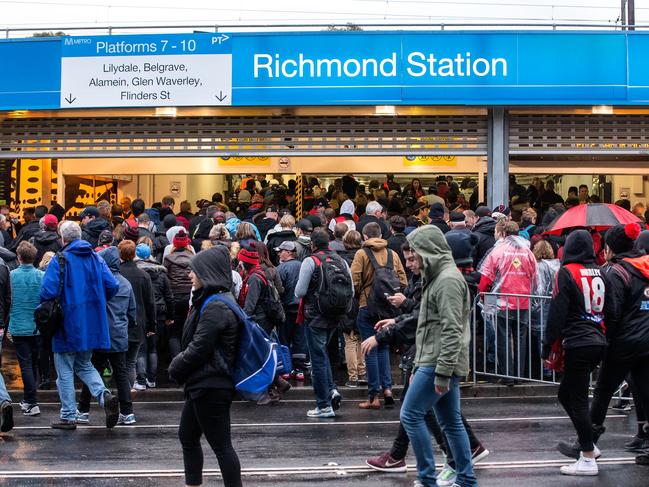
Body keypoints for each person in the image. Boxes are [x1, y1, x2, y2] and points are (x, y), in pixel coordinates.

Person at [399, 225, 477, 487]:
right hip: (438, 361)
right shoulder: (442, 277)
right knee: (450, 421)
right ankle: (465, 480)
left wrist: (440, 371)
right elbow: (436, 328)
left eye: (414, 256)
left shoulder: (446, 281)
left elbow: (451, 330)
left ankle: (427, 478)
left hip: (438, 362)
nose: (410, 262)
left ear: (427, 252)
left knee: (410, 415)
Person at [571, 223, 649, 467]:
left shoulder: (616, 272)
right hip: (647, 340)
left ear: (609, 248)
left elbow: (612, 312)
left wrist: (606, 340)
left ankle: (587, 443)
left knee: (603, 391)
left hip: (623, 343)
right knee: (647, 394)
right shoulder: (645, 267)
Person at [169, 246, 242, 487]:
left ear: (207, 273)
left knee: (221, 446)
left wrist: (175, 366)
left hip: (211, 383)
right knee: (187, 436)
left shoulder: (215, 306)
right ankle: (193, 483)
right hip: (204, 382)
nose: (190, 276)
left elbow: (200, 347)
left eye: (194, 271)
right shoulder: (214, 301)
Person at [40, 220, 120, 430]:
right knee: (85, 364)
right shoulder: (96, 257)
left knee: (64, 369)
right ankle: (104, 396)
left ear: (63, 238)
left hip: (67, 321)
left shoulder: (60, 259)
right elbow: (112, 285)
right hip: (93, 320)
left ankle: (68, 415)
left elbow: (47, 292)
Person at [542, 230, 606, 476]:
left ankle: (588, 455)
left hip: (578, 340)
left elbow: (557, 312)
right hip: (597, 338)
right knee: (566, 394)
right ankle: (588, 441)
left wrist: (547, 344)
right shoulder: (601, 271)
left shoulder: (567, 273)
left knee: (576, 398)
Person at [295, 228, 352, 418]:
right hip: (335, 314)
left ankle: (324, 405)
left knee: (318, 359)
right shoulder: (341, 260)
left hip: (315, 316)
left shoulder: (311, 261)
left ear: (312, 244)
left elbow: (300, 292)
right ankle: (331, 389)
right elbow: (351, 288)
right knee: (324, 354)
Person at [77, 246, 137, 426]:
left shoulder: (98, 282)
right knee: (121, 374)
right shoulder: (126, 283)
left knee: (91, 371)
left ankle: (83, 410)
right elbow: (132, 311)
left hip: (99, 334)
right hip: (119, 334)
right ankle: (128, 412)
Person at [351, 222, 407, 409]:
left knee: (369, 349)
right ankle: (388, 389)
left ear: (364, 237)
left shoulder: (361, 254)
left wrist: (362, 294)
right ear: (381, 234)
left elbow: (355, 280)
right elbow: (402, 280)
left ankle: (373, 396)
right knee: (383, 347)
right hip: (388, 308)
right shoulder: (393, 254)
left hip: (367, 306)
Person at [478, 221, 537, 382]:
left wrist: (482, 295)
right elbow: (535, 277)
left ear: (503, 233)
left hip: (502, 302)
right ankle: (519, 374)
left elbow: (486, 276)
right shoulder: (528, 251)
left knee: (502, 339)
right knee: (520, 339)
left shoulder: (498, 251)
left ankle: (507, 375)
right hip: (523, 301)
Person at [8, 241, 44, 416]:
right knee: (34, 363)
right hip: (37, 326)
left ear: (19, 257)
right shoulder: (41, 276)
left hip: (18, 325)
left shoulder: (11, 276)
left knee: (26, 364)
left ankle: (31, 401)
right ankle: (30, 398)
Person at [118, 240, 157, 392]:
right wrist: (152, 325)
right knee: (131, 361)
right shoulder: (144, 275)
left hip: (118, 321)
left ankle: (123, 393)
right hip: (138, 322)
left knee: (119, 362)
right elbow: (150, 303)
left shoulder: (116, 274)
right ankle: (128, 394)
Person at [135, 242, 174, 387]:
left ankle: (141, 379)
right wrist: (170, 315)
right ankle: (152, 379)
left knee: (141, 348)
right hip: (159, 313)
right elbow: (169, 296)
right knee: (153, 348)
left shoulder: (136, 273)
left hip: (142, 313)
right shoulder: (161, 273)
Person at [338, 230, 366, 388]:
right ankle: (362, 372)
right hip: (363, 300)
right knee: (361, 338)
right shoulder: (365, 256)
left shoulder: (341, 260)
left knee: (349, 339)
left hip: (348, 302)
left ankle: (353, 376)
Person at [276, 241, 307, 381]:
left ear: (289, 252)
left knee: (284, 339)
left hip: (286, 308)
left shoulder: (281, 268)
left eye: (281, 250)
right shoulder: (303, 266)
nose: (279, 253)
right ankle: (300, 369)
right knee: (300, 339)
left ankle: (286, 369)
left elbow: (278, 290)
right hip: (301, 308)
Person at [164, 229, 195, 359]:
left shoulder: (168, 258)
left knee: (174, 333)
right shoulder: (194, 258)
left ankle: (176, 362)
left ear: (174, 244)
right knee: (188, 331)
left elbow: (165, 279)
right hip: (190, 297)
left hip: (174, 297)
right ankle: (187, 361)